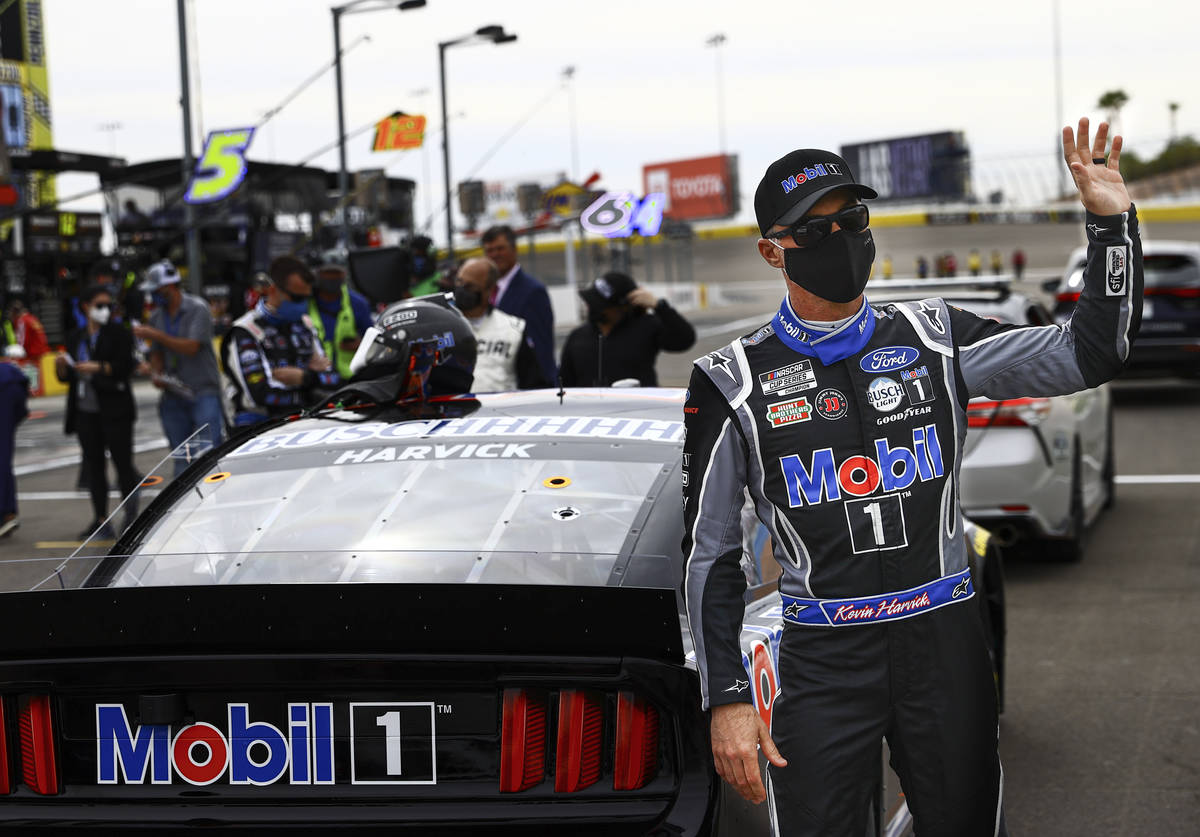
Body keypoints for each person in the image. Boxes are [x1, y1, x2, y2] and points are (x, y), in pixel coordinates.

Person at [682, 118, 1141, 837]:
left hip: (944, 639)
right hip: (823, 658)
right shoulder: (730, 381)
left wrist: (1112, 229)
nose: (841, 238)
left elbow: (1092, 354)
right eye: (814, 230)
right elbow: (711, 556)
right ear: (773, 250)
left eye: (853, 218)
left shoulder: (936, 336)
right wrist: (728, 698)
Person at [56, 285, 142, 540]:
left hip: (115, 409)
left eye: (109, 305)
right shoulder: (75, 337)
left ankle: (132, 517)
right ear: (86, 306)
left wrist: (99, 367)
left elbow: (126, 366)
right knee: (94, 466)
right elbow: (67, 377)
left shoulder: (119, 334)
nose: (105, 310)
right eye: (100, 305)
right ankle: (101, 519)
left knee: (123, 465)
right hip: (85, 411)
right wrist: (62, 367)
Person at [221, 256, 341, 426]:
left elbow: (335, 379)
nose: (304, 304)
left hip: (305, 421)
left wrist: (305, 378)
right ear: (272, 290)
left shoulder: (305, 325)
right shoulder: (246, 330)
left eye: (308, 297)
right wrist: (312, 389)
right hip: (257, 427)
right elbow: (260, 395)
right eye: (297, 298)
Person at [132, 260, 225, 476]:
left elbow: (192, 347)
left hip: (203, 390)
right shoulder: (156, 316)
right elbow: (156, 353)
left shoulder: (197, 308)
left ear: (169, 287)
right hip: (173, 394)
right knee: (182, 460)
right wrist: (156, 372)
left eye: (156, 290)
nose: (152, 295)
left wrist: (157, 335)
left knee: (209, 456)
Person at [559, 271, 696, 387]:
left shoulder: (647, 326)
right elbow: (564, 383)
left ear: (625, 305)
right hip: (589, 415)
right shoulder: (577, 336)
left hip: (638, 412)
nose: (591, 307)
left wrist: (659, 307)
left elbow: (684, 339)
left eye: (599, 305)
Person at [451, 256, 545, 391]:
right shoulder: (443, 325)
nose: (461, 290)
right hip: (454, 409)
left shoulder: (514, 329)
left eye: (469, 286)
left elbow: (534, 383)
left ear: (490, 289)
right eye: (459, 282)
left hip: (500, 409)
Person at [481, 225, 556, 385]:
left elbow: (541, 347)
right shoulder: (485, 291)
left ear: (514, 249)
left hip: (524, 389)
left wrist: (543, 388)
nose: (495, 255)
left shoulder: (533, 291)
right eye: (490, 250)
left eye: (500, 249)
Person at [308, 261, 372, 379]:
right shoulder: (306, 302)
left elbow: (373, 339)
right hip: (316, 376)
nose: (332, 278)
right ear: (317, 274)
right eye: (328, 273)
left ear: (344, 275)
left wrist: (361, 345)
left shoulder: (358, 303)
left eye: (337, 273)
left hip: (349, 376)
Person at [0, 344, 28, 537]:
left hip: (6, 387)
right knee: (3, 456)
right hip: (12, 383)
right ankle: (8, 512)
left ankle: (5, 512)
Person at [5, 299, 49, 363]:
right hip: (41, 355)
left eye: (10, 313)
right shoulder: (32, 318)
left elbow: (21, 343)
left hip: (31, 357)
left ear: (14, 312)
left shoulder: (22, 321)